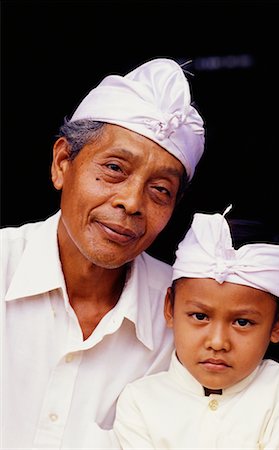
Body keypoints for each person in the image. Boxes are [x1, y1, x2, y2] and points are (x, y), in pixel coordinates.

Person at [1, 57, 205, 449]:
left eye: (160, 189)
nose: (131, 202)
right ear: (62, 163)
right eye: (114, 167)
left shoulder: (187, 319)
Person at [113, 206, 279, 449]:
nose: (218, 342)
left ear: (278, 324)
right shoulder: (140, 403)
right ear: (169, 307)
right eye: (200, 316)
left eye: (242, 322)